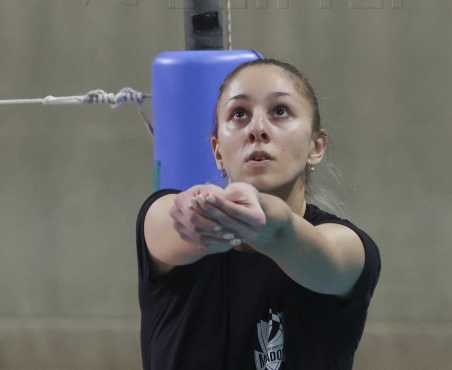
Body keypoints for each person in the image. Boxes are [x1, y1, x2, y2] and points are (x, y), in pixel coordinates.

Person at [136, 58, 380, 369]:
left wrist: (266, 220)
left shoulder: (347, 247)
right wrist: (196, 217)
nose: (257, 129)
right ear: (217, 151)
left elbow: (293, 239)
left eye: (280, 111)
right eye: (239, 114)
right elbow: (167, 222)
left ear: (315, 147)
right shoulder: (164, 215)